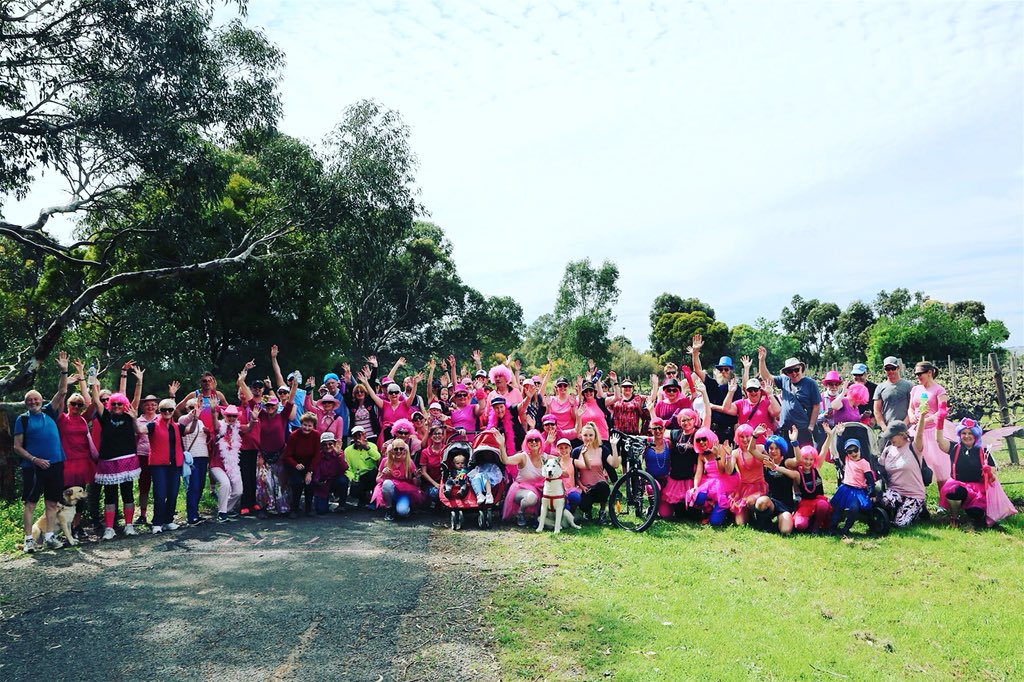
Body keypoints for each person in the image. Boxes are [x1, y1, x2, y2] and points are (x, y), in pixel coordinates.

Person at [14, 352, 71, 552]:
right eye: (29, 400)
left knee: (52, 503)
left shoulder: (49, 411)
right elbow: (17, 447)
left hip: (56, 463)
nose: (33, 402)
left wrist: (64, 370)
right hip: (33, 467)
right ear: (26, 403)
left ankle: (49, 537)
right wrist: (34, 459)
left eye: (36, 399)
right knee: (30, 504)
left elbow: (62, 391)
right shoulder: (22, 419)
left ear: (41, 400)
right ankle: (29, 540)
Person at [934, 413, 1016, 529]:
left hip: (977, 488)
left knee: (975, 513)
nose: (967, 436)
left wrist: (988, 471)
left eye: (970, 433)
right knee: (954, 491)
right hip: (957, 484)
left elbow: (993, 475)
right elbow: (939, 440)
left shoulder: (983, 450)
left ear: (976, 435)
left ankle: (978, 517)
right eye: (964, 433)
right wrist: (940, 420)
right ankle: (954, 517)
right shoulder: (954, 447)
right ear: (959, 434)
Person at [90, 382, 145, 540]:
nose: (116, 406)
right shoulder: (105, 417)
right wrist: (92, 380)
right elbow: (95, 399)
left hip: (127, 461)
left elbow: (136, 397)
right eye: (113, 403)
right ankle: (109, 528)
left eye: (119, 403)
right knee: (110, 496)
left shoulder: (129, 415)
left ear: (124, 405)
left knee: (127, 494)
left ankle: (129, 525)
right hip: (108, 463)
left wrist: (139, 381)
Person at [146, 399, 198, 534]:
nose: (167, 412)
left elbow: (190, 430)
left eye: (170, 410)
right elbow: (140, 430)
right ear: (160, 411)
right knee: (160, 494)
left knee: (173, 493)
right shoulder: (153, 425)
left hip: (175, 465)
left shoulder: (177, 426)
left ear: (173, 411)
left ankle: (168, 521)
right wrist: (133, 418)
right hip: (159, 465)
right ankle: (157, 522)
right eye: (164, 410)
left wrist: (196, 418)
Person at [759, 351, 820, 445]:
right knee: (787, 458)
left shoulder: (811, 383)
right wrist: (762, 360)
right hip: (785, 429)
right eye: (790, 371)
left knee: (804, 457)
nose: (794, 373)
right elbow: (766, 377)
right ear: (786, 373)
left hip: (803, 429)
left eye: (796, 370)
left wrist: (811, 426)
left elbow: (816, 406)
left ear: (801, 369)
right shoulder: (784, 380)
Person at [690, 334, 742, 442]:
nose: (723, 372)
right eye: (720, 369)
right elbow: (697, 370)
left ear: (730, 371)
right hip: (711, 430)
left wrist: (712, 406)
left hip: (728, 432)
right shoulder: (712, 384)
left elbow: (734, 411)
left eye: (726, 369)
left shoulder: (735, 388)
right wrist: (695, 353)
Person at [906, 361, 949, 486]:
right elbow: (910, 408)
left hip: (933, 432)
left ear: (929, 373)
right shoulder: (915, 389)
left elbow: (942, 411)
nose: (918, 377)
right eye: (916, 374)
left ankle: (944, 502)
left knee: (940, 469)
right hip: (916, 431)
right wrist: (912, 416)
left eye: (920, 374)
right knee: (916, 466)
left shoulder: (939, 390)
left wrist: (925, 420)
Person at [878, 421, 927, 528]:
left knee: (901, 524)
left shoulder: (914, 447)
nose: (890, 439)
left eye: (892, 436)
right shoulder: (888, 450)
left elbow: (919, 434)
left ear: (902, 435)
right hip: (895, 492)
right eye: (888, 436)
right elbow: (878, 469)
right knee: (880, 501)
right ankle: (896, 511)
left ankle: (919, 508)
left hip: (914, 494)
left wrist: (922, 417)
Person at [685, 429, 736, 526]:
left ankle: (725, 511)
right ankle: (709, 510)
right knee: (697, 495)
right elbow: (698, 473)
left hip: (723, 482)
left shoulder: (721, 448)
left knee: (715, 523)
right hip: (709, 482)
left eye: (704, 439)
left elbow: (722, 471)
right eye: (698, 440)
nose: (701, 442)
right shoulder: (701, 455)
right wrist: (695, 487)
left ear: (710, 438)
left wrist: (717, 455)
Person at [828, 429, 874, 536]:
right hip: (845, 488)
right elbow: (839, 448)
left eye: (855, 450)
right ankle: (832, 527)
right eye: (850, 451)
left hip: (858, 490)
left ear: (860, 449)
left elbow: (870, 478)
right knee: (838, 508)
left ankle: (846, 528)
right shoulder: (847, 460)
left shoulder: (864, 463)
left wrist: (872, 491)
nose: (853, 453)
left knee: (854, 508)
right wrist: (839, 435)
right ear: (847, 453)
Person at [499, 428, 546, 527]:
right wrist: (501, 446)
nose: (533, 442)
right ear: (526, 443)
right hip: (520, 490)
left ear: (541, 442)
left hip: (539, 488)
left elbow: (561, 461)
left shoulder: (545, 457)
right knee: (532, 498)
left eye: (536, 440)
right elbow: (506, 460)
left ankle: (538, 517)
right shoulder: (523, 457)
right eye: (530, 440)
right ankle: (521, 513)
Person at [574, 423, 620, 523]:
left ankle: (603, 510)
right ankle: (587, 511)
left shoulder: (602, 449)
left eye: (591, 435)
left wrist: (614, 446)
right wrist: (581, 486)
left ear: (595, 436)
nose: (588, 438)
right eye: (585, 435)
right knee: (583, 503)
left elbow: (615, 464)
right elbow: (574, 474)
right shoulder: (576, 451)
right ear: (581, 435)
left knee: (603, 486)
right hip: (585, 488)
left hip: (600, 486)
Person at [371, 438, 424, 521]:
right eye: (396, 449)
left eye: (401, 449)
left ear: (404, 450)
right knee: (387, 483)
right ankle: (389, 509)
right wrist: (383, 475)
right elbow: (377, 480)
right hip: (390, 490)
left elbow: (417, 484)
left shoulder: (409, 462)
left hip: (404, 492)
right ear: (392, 450)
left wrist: (417, 477)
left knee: (402, 512)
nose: (398, 451)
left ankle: (403, 507)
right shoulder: (385, 461)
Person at [754, 435, 798, 534]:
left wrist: (794, 442)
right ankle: (764, 523)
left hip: (786, 504)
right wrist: (755, 435)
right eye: (771, 448)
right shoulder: (766, 461)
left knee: (786, 531)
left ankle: (782, 519)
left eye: (777, 448)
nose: (773, 451)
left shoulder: (787, 462)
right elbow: (752, 450)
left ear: (782, 449)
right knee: (761, 502)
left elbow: (798, 460)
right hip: (771, 502)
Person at [281, 412, 322, 518]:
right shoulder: (294, 435)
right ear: (301, 424)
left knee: (310, 482)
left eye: (309, 426)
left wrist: (310, 471)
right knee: (297, 483)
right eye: (305, 425)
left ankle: (309, 508)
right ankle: (294, 508)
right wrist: (295, 465)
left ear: (313, 426)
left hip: (309, 463)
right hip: (294, 463)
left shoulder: (317, 435)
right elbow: (287, 456)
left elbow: (317, 455)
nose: (307, 428)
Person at [729, 424, 768, 526]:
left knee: (750, 502)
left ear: (752, 436)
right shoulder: (735, 453)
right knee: (740, 524)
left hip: (759, 486)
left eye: (747, 436)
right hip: (744, 488)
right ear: (738, 437)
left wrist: (769, 441)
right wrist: (728, 456)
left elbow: (771, 463)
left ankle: (761, 518)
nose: (745, 439)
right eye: (742, 437)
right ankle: (750, 515)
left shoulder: (760, 448)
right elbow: (729, 471)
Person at [790, 441, 832, 534]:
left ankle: (816, 526)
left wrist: (829, 435)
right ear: (801, 459)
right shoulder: (797, 473)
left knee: (823, 505)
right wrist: (775, 467)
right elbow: (785, 470)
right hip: (804, 504)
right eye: (805, 459)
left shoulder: (816, 468)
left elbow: (824, 450)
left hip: (818, 502)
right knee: (800, 525)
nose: (808, 462)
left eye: (811, 459)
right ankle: (809, 520)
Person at [873, 356, 913, 445]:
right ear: (884, 370)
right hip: (888, 430)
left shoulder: (908, 386)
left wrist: (904, 425)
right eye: (888, 369)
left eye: (893, 368)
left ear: (898, 368)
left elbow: (912, 407)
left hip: (906, 429)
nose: (890, 371)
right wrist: (884, 427)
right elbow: (877, 410)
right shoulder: (880, 388)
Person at [312, 431, 349, 514]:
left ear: (334, 444)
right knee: (321, 511)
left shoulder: (339, 453)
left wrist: (338, 455)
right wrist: (318, 481)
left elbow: (345, 468)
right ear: (321, 445)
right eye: (325, 444)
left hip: (335, 481)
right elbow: (315, 472)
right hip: (322, 485)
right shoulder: (318, 455)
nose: (327, 446)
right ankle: (328, 503)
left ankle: (341, 505)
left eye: (330, 444)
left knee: (343, 480)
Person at [345, 426, 382, 506]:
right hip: (358, 476)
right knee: (354, 492)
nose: (358, 438)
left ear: (364, 435)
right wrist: (352, 478)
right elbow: (348, 468)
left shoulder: (372, 446)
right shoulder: (347, 451)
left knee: (374, 473)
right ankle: (363, 498)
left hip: (370, 474)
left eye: (360, 435)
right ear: (352, 437)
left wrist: (366, 447)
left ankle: (374, 498)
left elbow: (378, 457)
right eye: (355, 436)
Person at [417, 424, 446, 503]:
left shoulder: (447, 449)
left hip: (445, 482)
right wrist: (435, 484)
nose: (437, 436)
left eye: (439, 433)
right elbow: (423, 472)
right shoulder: (425, 452)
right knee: (434, 493)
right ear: (431, 436)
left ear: (443, 436)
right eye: (435, 434)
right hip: (431, 483)